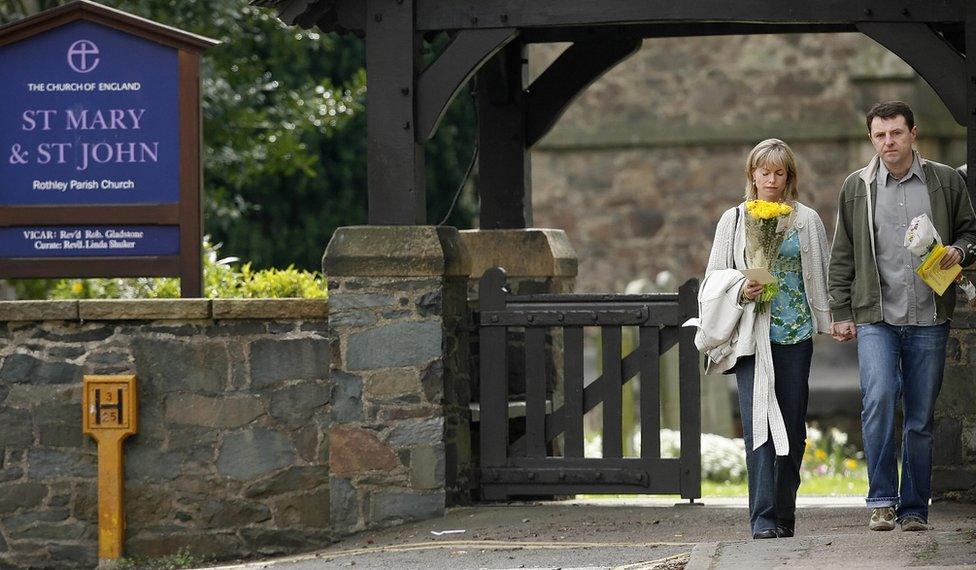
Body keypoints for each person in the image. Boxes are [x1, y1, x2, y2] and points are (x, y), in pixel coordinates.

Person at [828, 101, 976, 532]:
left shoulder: (946, 181)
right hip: (877, 317)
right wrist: (841, 310)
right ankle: (881, 502)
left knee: (920, 416)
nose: (888, 142)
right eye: (879, 135)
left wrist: (959, 251)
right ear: (871, 139)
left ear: (913, 133)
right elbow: (843, 255)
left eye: (895, 133)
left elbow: (971, 231)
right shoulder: (857, 187)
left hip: (930, 315)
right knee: (877, 402)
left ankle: (914, 507)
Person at [703, 138, 831, 539]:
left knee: (792, 428)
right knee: (757, 424)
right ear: (752, 175)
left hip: (795, 335)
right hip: (750, 337)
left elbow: (822, 275)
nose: (771, 179)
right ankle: (761, 518)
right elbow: (713, 280)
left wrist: (833, 321)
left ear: (789, 176)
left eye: (779, 172)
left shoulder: (806, 220)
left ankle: (784, 514)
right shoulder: (734, 220)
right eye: (764, 172)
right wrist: (742, 290)